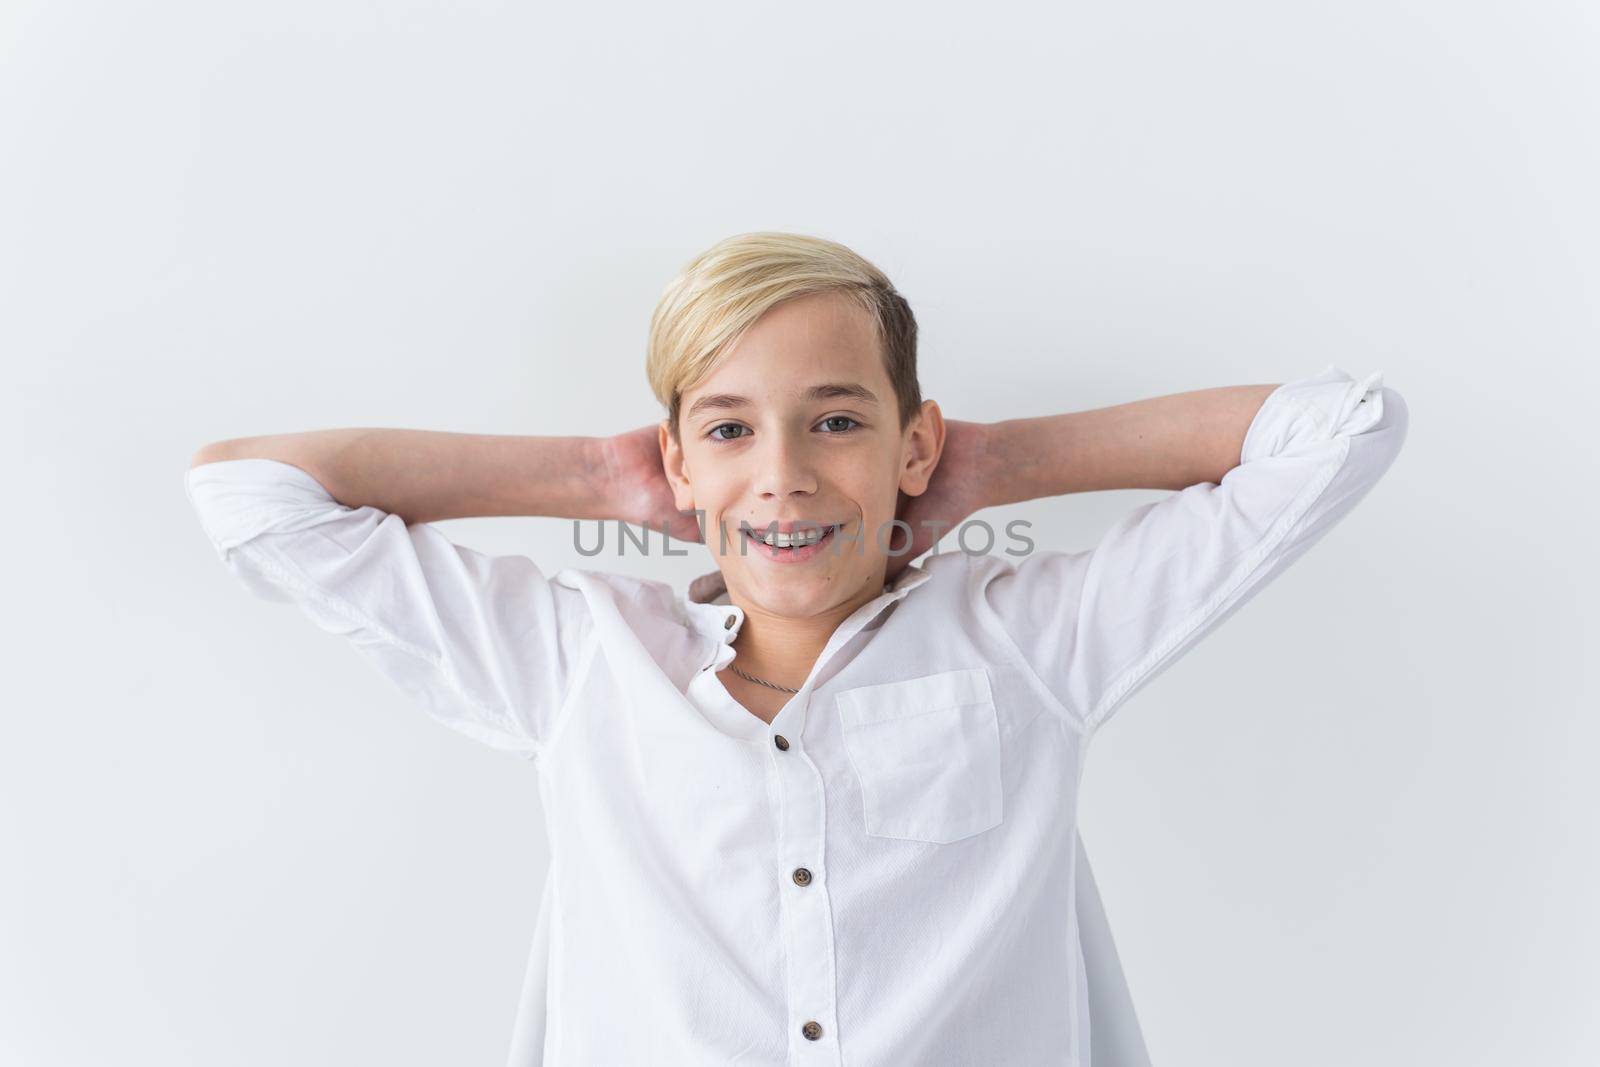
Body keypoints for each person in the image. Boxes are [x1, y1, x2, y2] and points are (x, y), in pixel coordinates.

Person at [185, 231, 1409, 1065]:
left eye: (836, 420)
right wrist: (594, 476)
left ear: (910, 445)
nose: (784, 474)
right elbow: (252, 493)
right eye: (728, 428)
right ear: (677, 461)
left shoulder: (1028, 643)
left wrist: (994, 463)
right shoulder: (578, 662)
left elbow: (1339, 430)